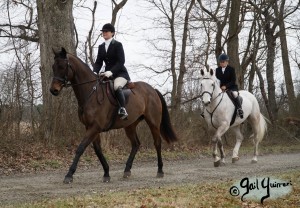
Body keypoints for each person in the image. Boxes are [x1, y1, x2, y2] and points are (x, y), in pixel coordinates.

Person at [93, 23, 130, 120]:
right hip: (107, 74)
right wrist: (94, 72)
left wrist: (112, 71)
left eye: (106, 31)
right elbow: (98, 62)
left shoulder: (118, 45)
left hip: (120, 73)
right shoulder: (101, 47)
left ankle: (122, 108)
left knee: (117, 86)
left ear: (112, 33)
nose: (104, 33)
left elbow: (121, 61)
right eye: (103, 31)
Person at [215, 53, 244, 119]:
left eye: (222, 62)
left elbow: (233, 80)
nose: (221, 63)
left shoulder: (231, 69)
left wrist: (226, 86)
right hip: (220, 88)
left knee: (235, 94)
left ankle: (239, 109)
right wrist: (219, 87)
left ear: (226, 62)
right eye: (220, 62)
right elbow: (217, 80)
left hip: (231, 87)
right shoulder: (217, 70)